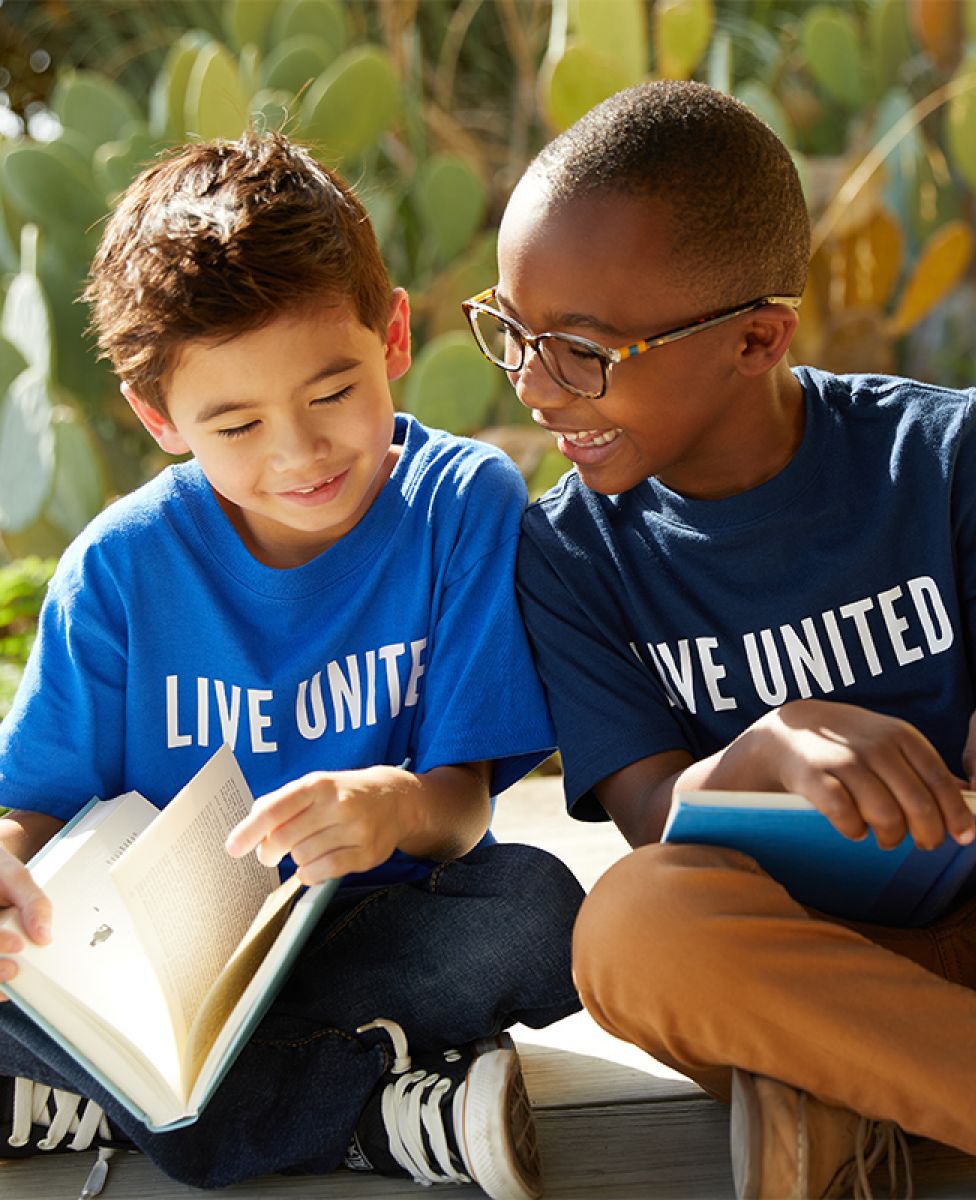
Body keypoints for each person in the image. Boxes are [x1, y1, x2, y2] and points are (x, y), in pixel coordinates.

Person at [459, 79, 976, 1199]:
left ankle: (868, 1104)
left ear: (756, 338)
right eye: (513, 334)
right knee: (625, 929)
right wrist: (764, 747)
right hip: (785, 966)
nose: (534, 385)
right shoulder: (567, 554)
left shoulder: (945, 452)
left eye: (582, 351)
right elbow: (654, 823)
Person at [0, 131, 584, 1200]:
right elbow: (30, 814)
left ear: (393, 334)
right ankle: (376, 1115)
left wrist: (386, 806)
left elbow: (459, 812)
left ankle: (112, 1105)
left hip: (374, 923)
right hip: (160, 977)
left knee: (542, 916)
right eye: (234, 422)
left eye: (330, 393)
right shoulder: (120, 572)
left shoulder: (461, 507)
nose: (299, 454)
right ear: (157, 419)